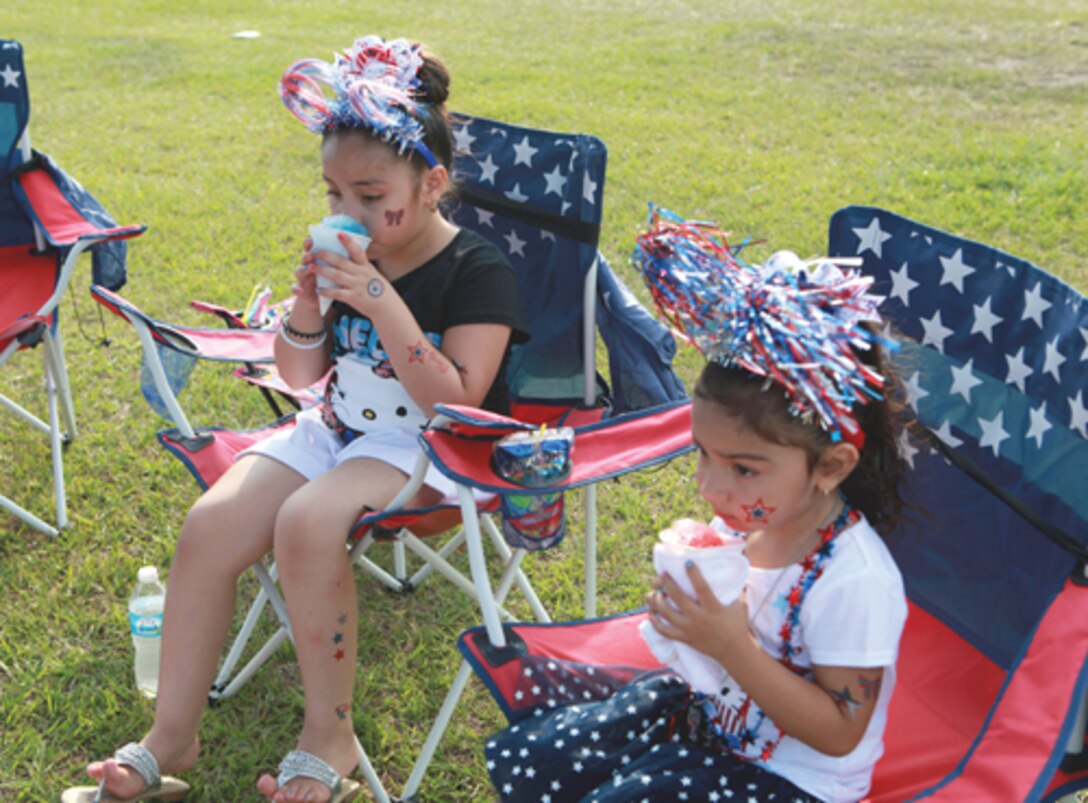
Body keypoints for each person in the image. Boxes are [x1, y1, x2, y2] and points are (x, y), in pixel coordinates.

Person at [65, 35, 526, 803]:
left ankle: (328, 733)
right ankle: (171, 730)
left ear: (433, 182)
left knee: (308, 523)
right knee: (210, 523)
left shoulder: (476, 269)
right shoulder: (355, 254)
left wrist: (381, 301)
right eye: (333, 195)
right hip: (339, 428)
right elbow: (300, 374)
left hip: (433, 448)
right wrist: (310, 303)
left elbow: (458, 400)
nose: (350, 213)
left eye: (372, 197)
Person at [485, 219, 911, 802]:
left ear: (832, 467)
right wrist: (687, 614)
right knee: (558, 749)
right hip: (712, 725)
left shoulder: (853, 580)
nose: (710, 487)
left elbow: (840, 733)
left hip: (790, 783)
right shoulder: (750, 521)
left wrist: (730, 644)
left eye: (742, 468)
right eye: (703, 455)